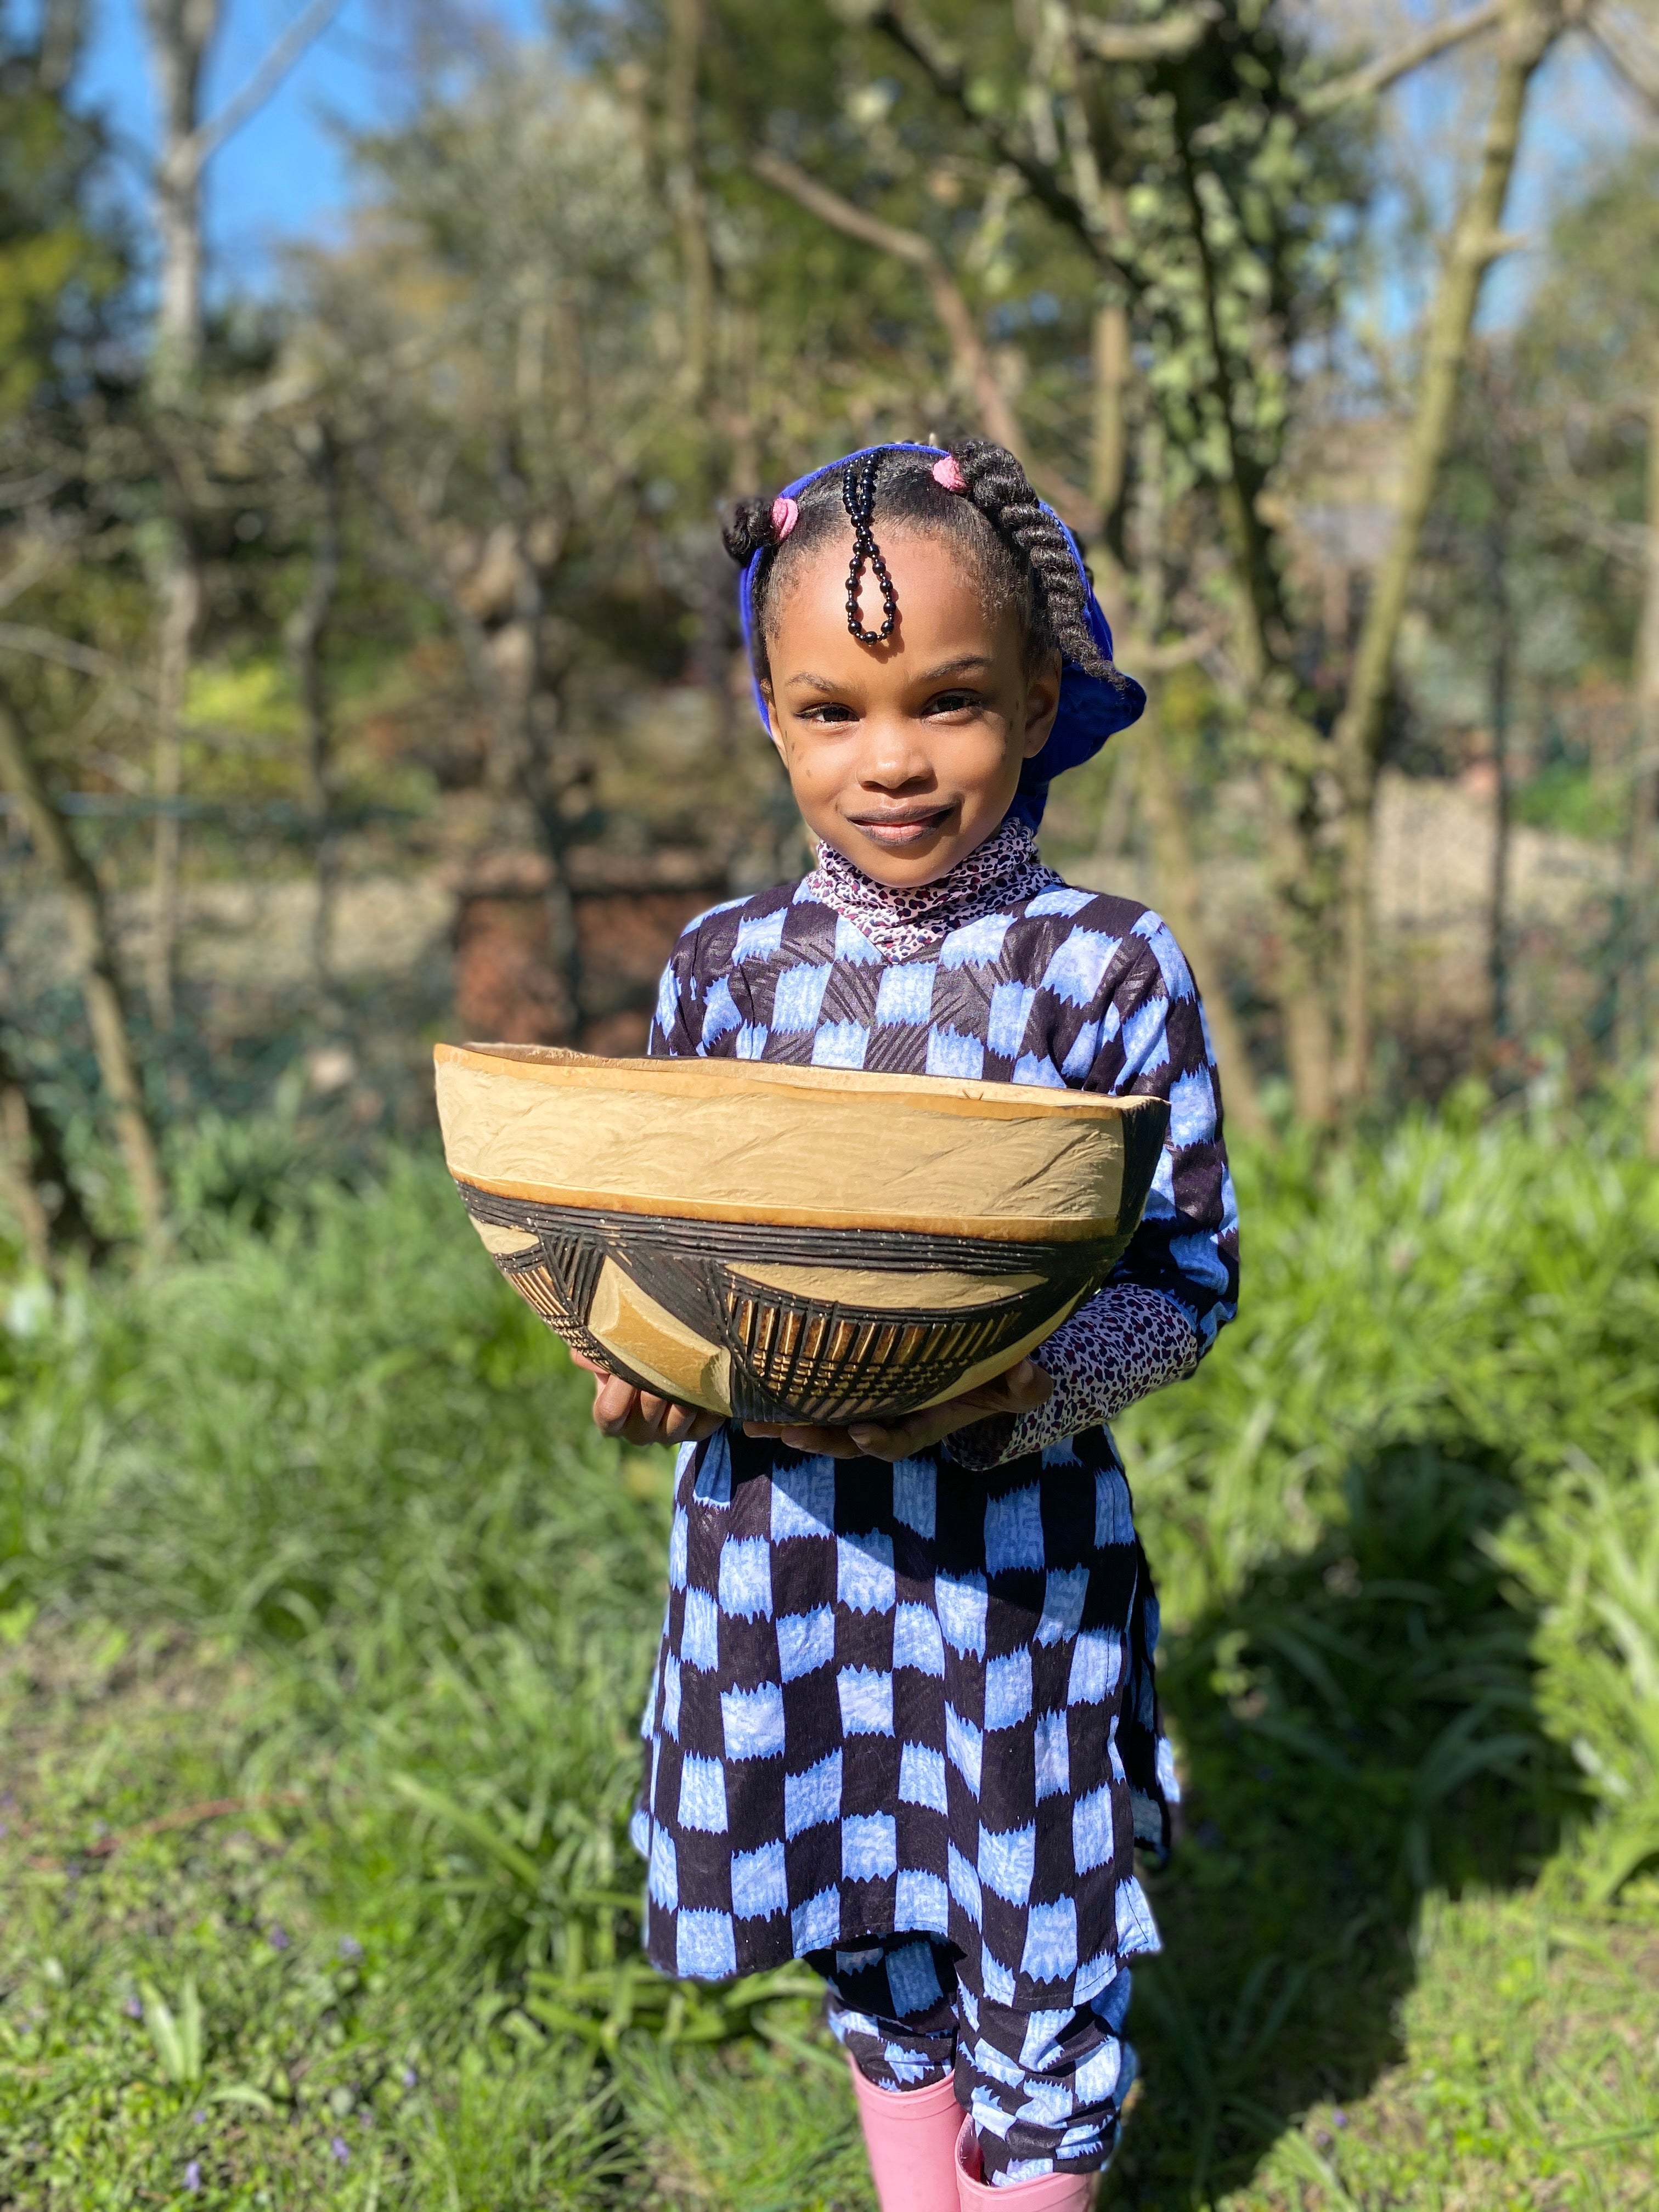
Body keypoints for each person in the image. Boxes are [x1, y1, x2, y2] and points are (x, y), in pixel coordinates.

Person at [580, 441, 1238, 2208]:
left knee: (1037, 1961)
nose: (892, 757)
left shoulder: (1107, 969)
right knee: (872, 1942)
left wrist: (1037, 1379)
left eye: (949, 701)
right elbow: (669, 1249)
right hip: (789, 1563)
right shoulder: (721, 972)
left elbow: (1190, 1277)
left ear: (1039, 699)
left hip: (1012, 1568)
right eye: (834, 708)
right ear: (771, 719)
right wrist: (638, 1359)